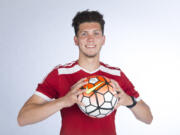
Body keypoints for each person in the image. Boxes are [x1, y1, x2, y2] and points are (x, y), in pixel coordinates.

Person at [17, 10, 153, 135]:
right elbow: (23, 118)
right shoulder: (60, 73)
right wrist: (64, 101)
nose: (90, 39)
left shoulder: (116, 75)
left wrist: (129, 101)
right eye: (84, 34)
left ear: (103, 39)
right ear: (76, 40)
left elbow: (148, 118)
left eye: (96, 33)